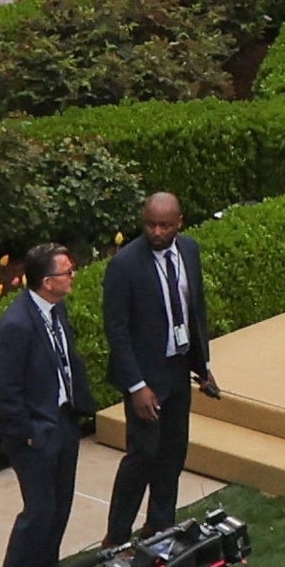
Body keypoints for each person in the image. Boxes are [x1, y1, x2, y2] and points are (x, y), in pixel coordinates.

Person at [99, 191, 216, 545]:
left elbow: (195, 310)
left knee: (172, 452)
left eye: (165, 225)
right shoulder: (124, 265)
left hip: (178, 368)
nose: (156, 232)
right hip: (145, 377)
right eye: (150, 224)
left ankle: (160, 526)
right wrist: (136, 386)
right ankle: (116, 538)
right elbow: (116, 331)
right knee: (142, 456)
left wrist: (203, 365)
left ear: (180, 223)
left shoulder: (190, 251)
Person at [0, 237, 91, 567]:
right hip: (34, 433)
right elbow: (6, 389)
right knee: (40, 509)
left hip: (62, 419)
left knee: (61, 502)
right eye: (67, 272)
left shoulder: (55, 310)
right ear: (47, 282)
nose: (72, 276)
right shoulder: (16, 325)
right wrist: (26, 432)